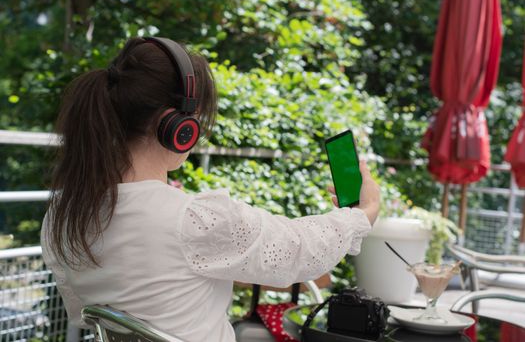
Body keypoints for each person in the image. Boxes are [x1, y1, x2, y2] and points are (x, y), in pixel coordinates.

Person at [40, 37, 380, 342]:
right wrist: (362, 214)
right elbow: (300, 250)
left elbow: (79, 311)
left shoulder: (63, 215)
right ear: (178, 126)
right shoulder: (192, 219)